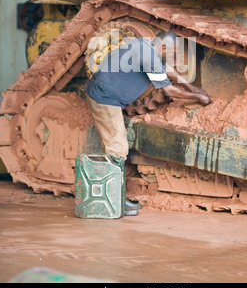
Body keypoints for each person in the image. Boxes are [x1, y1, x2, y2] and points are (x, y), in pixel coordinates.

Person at [85, 30, 211, 216]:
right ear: (164, 47)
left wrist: (192, 86)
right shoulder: (148, 55)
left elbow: (166, 70)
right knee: (118, 149)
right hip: (104, 99)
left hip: (107, 94)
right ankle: (115, 201)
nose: (173, 56)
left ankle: (117, 199)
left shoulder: (147, 46)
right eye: (172, 52)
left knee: (116, 148)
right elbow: (168, 91)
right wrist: (196, 97)